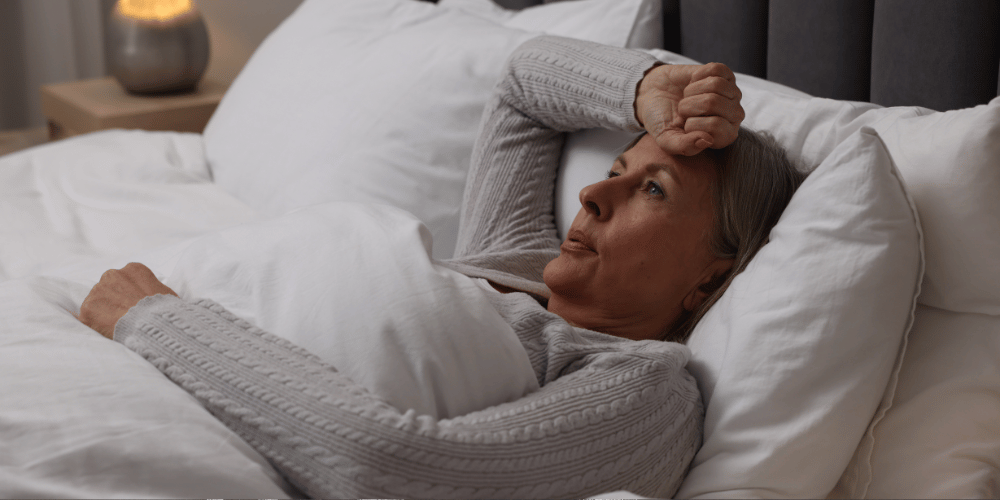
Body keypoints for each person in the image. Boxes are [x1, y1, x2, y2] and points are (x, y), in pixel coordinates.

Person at [78, 36, 803, 498]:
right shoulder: (514, 254)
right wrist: (647, 91)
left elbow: (393, 470)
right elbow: (523, 84)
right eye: (616, 165)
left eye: (650, 190)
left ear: (710, 278)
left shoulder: (647, 393)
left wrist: (160, 322)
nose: (592, 193)